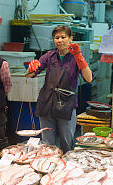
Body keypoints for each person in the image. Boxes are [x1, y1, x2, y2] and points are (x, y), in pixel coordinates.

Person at [27, 25, 92, 154]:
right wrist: (31, 68)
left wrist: (79, 57)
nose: (60, 40)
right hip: (47, 103)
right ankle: (48, 169)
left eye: (63, 37)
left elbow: (89, 78)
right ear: (53, 40)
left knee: (67, 143)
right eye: (57, 37)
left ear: (70, 39)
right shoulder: (49, 56)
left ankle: (66, 170)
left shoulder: (76, 57)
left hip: (66, 105)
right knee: (47, 145)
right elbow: (29, 75)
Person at [0, 12, 12, 154]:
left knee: (0, 138)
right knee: (0, 137)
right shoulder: (2, 63)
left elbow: (6, 88)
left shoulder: (1, 63)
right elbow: (7, 88)